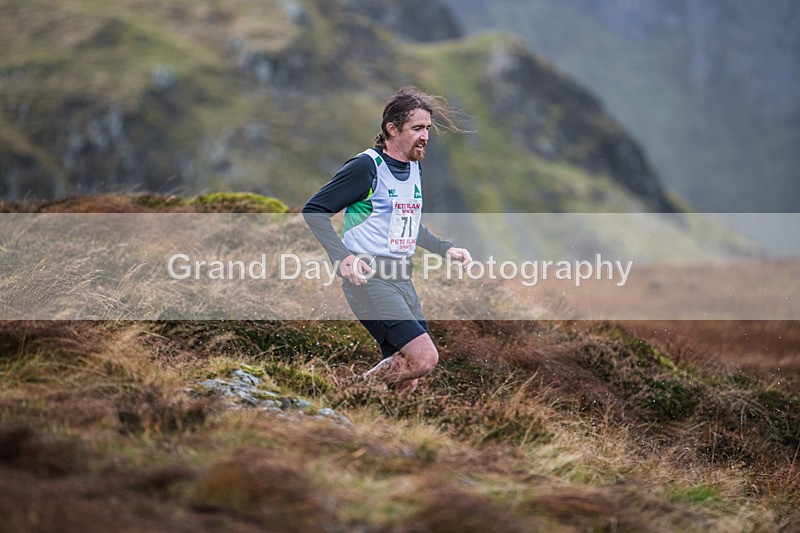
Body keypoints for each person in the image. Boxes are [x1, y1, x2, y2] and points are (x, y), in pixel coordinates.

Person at [303, 86, 472, 393]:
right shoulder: (366, 167)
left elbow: (406, 225)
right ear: (392, 129)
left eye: (428, 129)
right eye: (417, 129)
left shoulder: (414, 167)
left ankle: (375, 425)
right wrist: (342, 257)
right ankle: (346, 395)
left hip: (401, 279)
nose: (425, 137)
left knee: (409, 375)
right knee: (423, 358)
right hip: (370, 279)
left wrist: (445, 249)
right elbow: (314, 210)